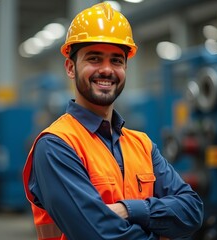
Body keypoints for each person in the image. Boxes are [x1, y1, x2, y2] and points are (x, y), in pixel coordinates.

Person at [23, 2, 204, 240]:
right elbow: (97, 235)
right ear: (70, 67)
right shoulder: (56, 145)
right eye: (94, 59)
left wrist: (129, 210)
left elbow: (192, 211)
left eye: (116, 60)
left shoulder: (143, 145)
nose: (107, 70)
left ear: (125, 68)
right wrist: (158, 226)